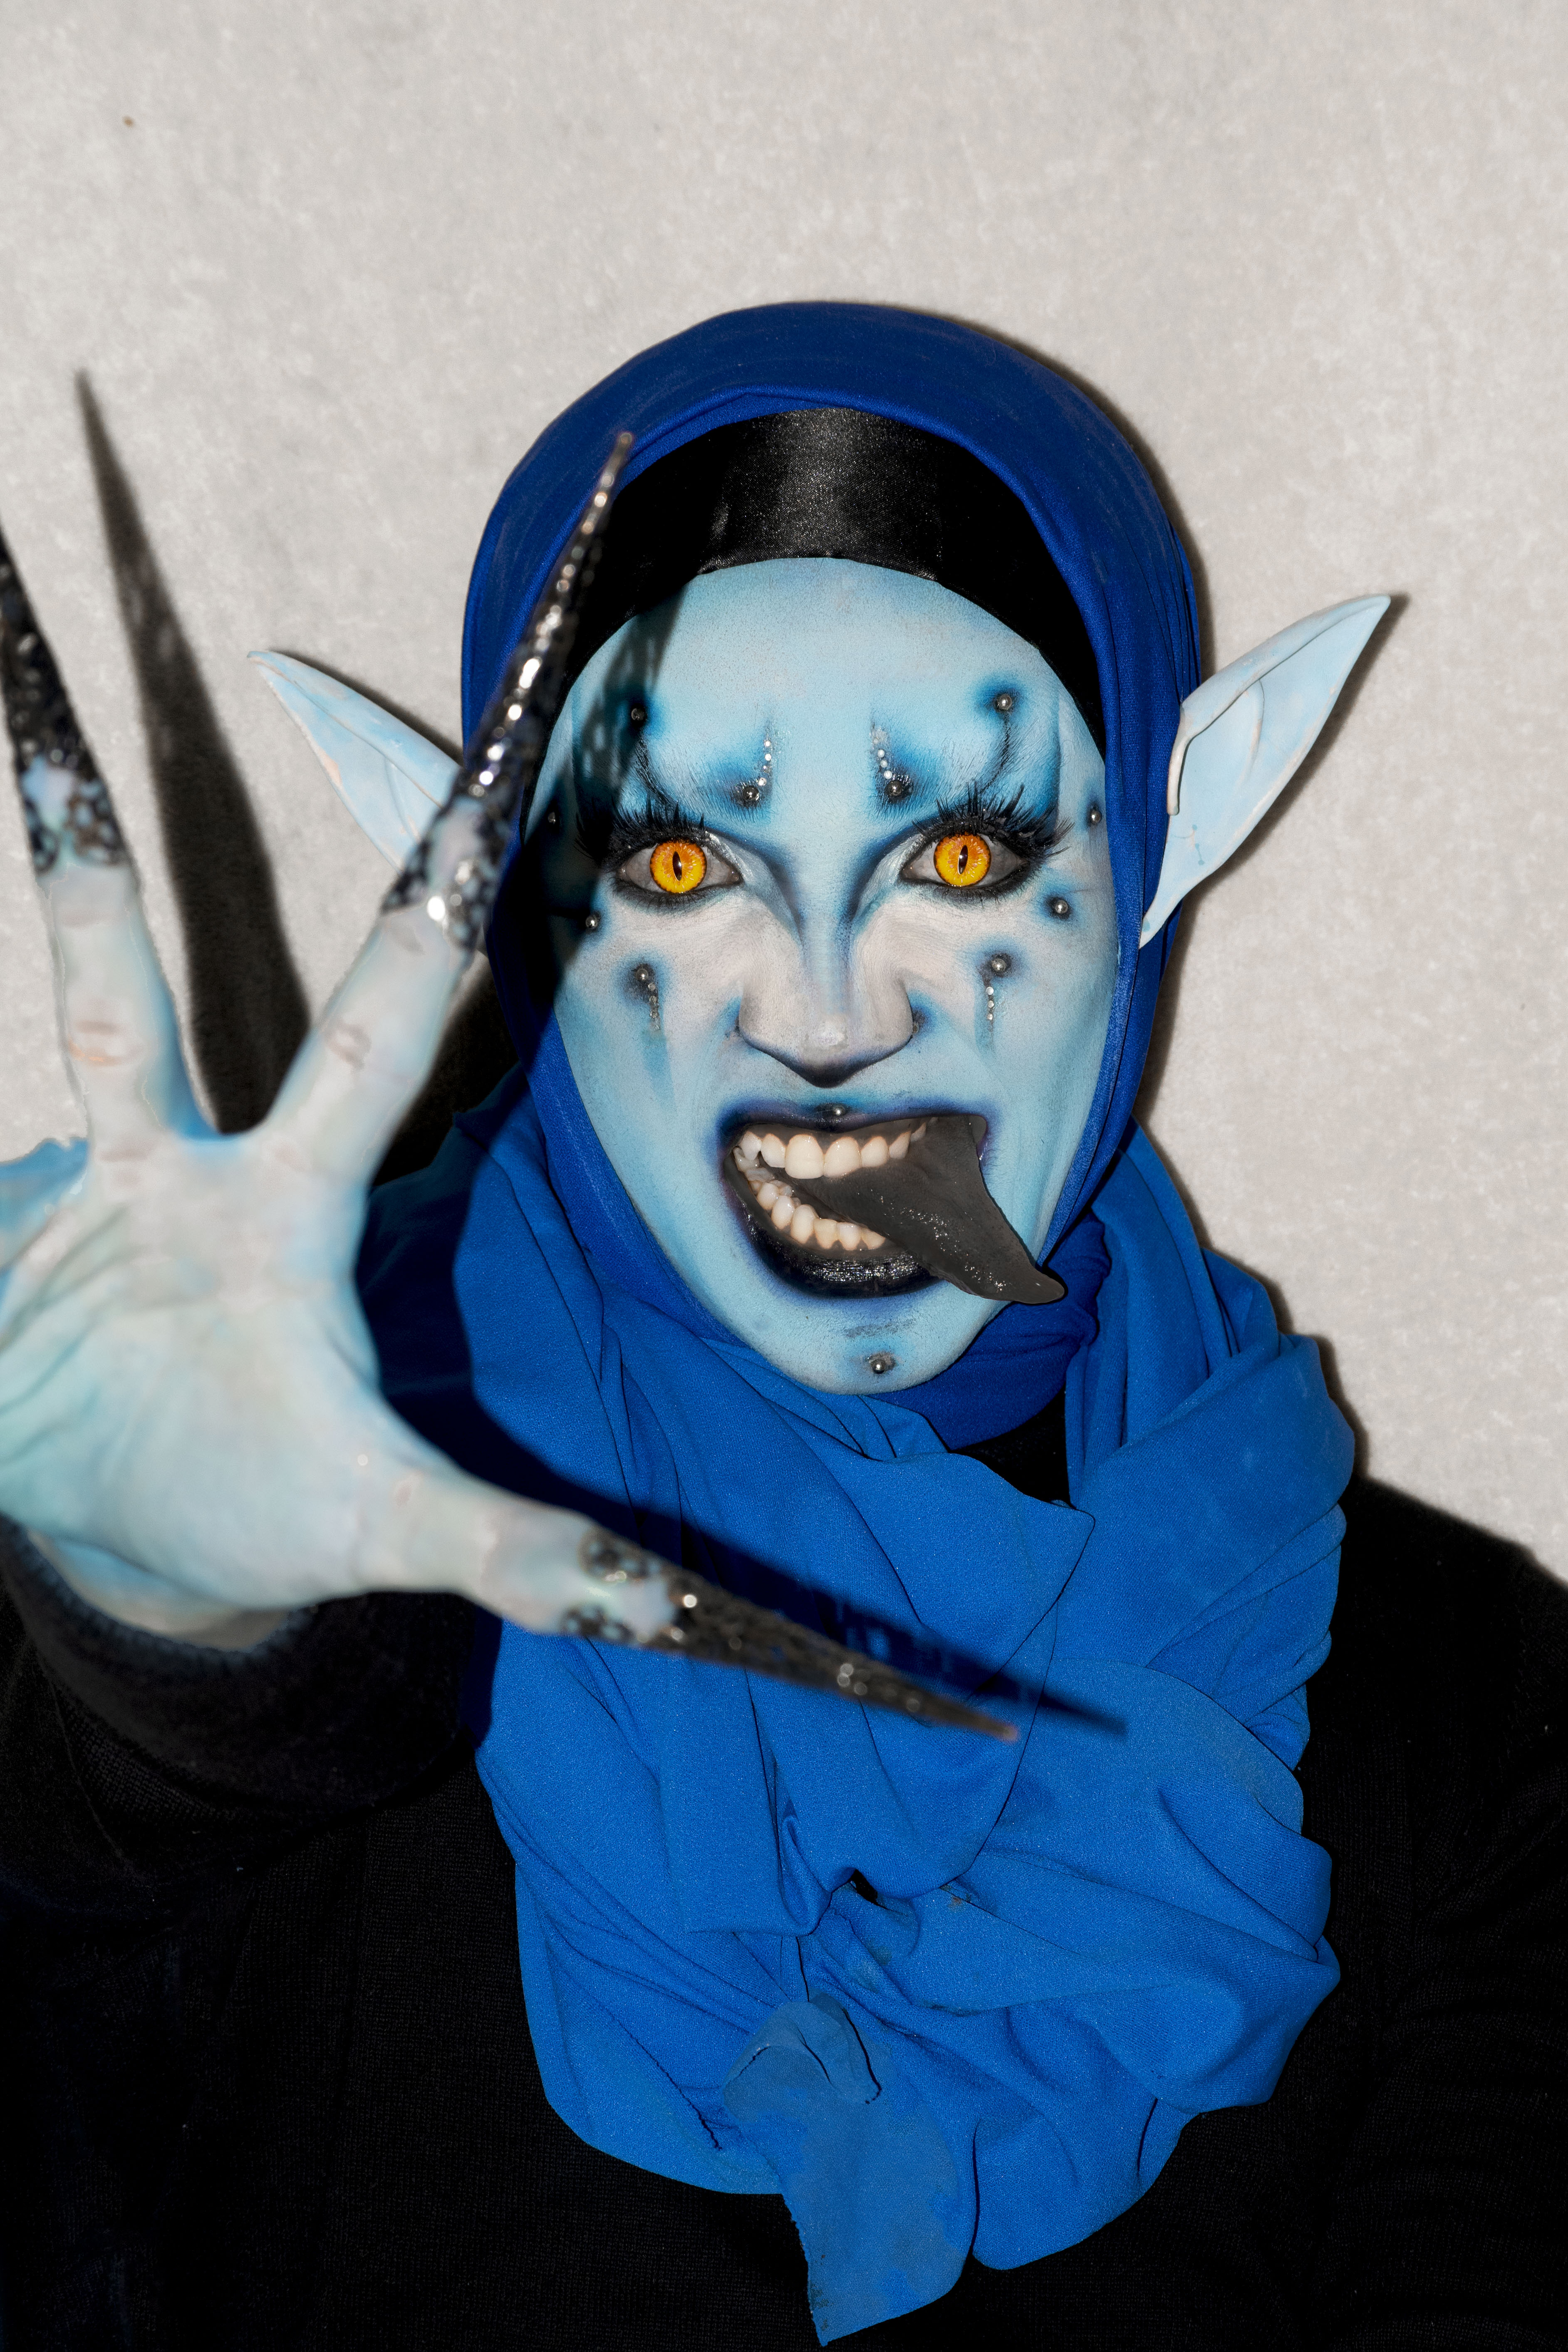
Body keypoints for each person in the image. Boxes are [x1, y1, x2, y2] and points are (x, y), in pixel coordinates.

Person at [0, 304, 1563, 2351]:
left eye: (964, 852)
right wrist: (158, 1646)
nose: (828, 1017)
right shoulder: (299, 1556)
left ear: (1160, 857)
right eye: (676, 860)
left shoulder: (1471, 1706)